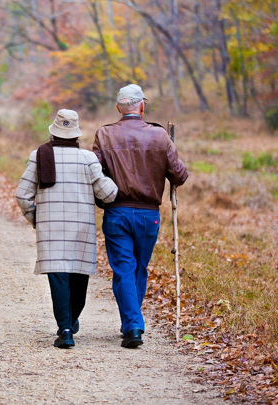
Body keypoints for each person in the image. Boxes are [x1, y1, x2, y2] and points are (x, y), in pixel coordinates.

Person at [92, 84, 188, 348]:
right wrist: (168, 150)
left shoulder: (104, 134)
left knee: (124, 269)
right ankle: (132, 324)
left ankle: (131, 324)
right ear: (142, 106)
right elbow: (179, 175)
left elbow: (93, 172)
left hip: (117, 211)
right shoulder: (159, 136)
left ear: (118, 108)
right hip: (148, 215)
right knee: (138, 269)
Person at [16, 109, 118, 349]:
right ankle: (70, 322)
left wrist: (36, 219)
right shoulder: (87, 159)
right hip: (81, 228)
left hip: (50, 230)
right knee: (78, 277)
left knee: (58, 277)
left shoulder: (38, 155)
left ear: (52, 133)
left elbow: (23, 195)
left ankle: (65, 329)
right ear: (77, 136)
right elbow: (109, 194)